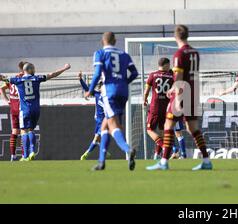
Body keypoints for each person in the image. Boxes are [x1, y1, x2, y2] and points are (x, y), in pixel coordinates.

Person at [146, 25, 212, 171]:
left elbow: (180, 77)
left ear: (175, 36)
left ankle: (164, 162)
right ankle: (206, 160)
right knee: (192, 128)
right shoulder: (195, 53)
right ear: (187, 35)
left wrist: (176, 94)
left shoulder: (179, 54)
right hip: (193, 93)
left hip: (181, 94)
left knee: (168, 126)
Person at [86, 32, 138, 171]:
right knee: (105, 127)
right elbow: (134, 73)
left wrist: (90, 90)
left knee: (113, 124)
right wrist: (123, 82)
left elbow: (97, 74)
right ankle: (101, 162)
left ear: (103, 41)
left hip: (109, 91)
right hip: (123, 91)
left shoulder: (100, 53)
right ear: (115, 40)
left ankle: (128, 149)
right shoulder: (124, 54)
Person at [0, 63, 71, 161]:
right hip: (36, 109)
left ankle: (25, 156)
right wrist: (64, 68)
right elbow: (52, 74)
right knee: (31, 130)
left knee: (24, 130)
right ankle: (32, 150)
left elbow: (3, 79)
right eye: (33, 69)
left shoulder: (17, 80)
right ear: (29, 70)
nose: (35, 70)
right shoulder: (37, 78)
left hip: (24, 109)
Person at [78, 71, 107, 160]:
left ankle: (87, 154)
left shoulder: (109, 96)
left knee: (97, 138)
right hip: (99, 120)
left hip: (105, 120)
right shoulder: (97, 94)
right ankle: (102, 152)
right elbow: (87, 89)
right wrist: (80, 80)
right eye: (102, 86)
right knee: (97, 139)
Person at [0, 61, 25, 161]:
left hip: (13, 108)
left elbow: (1, 88)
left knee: (14, 131)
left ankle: (13, 155)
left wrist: (7, 100)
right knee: (24, 132)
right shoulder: (24, 79)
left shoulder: (13, 78)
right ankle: (24, 155)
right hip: (22, 108)